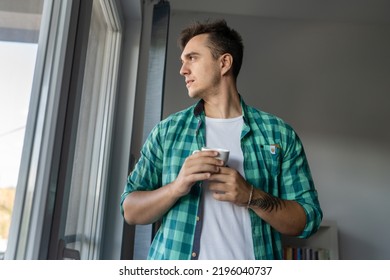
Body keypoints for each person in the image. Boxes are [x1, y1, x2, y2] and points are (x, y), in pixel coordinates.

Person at [120, 19, 322, 260]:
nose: (182, 70)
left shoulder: (279, 134)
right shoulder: (167, 132)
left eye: (192, 58)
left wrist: (251, 195)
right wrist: (176, 187)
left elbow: (307, 219)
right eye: (182, 61)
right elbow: (130, 210)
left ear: (224, 63)